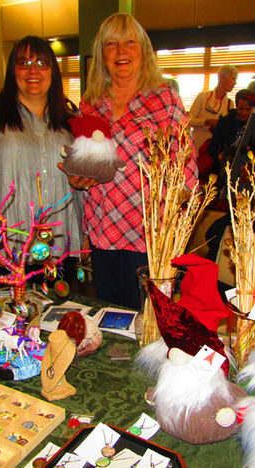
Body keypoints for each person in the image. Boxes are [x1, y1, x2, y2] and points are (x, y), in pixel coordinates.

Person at [61, 13, 197, 309]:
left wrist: (176, 230)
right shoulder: (91, 101)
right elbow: (88, 164)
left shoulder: (165, 99)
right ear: (102, 55)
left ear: (143, 50)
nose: (121, 51)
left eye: (129, 42)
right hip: (102, 231)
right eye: (111, 44)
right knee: (112, 316)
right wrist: (78, 178)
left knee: (150, 318)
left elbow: (186, 169)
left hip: (149, 234)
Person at [0, 36, 81, 273]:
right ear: (13, 70)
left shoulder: (69, 121)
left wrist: (83, 236)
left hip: (59, 251)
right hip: (4, 251)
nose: (33, 71)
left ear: (53, 71)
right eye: (24, 63)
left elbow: (80, 185)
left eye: (42, 63)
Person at [208, 88, 255, 186]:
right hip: (226, 169)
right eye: (241, 108)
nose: (244, 113)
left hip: (250, 170)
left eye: (248, 109)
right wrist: (218, 155)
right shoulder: (226, 122)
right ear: (236, 106)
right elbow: (212, 147)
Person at [189, 65, 238, 153]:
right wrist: (207, 121)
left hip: (215, 151)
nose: (235, 83)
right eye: (233, 79)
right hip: (196, 148)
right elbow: (188, 121)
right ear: (222, 77)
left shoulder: (230, 104)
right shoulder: (202, 97)